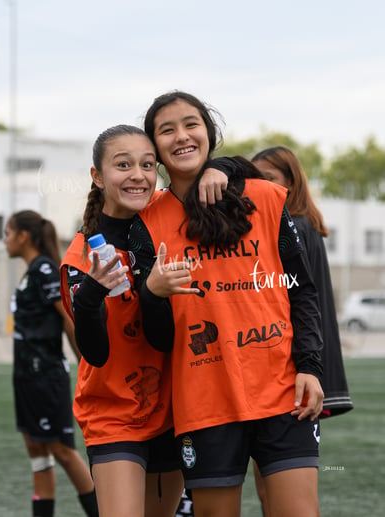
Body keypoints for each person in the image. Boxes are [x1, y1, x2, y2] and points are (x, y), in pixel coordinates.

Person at [128, 91, 325, 517]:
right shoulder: (146, 221)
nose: (182, 136)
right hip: (205, 403)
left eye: (191, 124)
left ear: (209, 132)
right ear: (156, 148)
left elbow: (302, 290)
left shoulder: (267, 198)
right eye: (167, 130)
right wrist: (153, 293)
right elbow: (159, 339)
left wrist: (310, 365)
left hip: (282, 391)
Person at [59, 124, 227, 517]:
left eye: (148, 164)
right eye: (123, 165)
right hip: (115, 413)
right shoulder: (82, 255)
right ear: (97, 176)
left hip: (176, 411)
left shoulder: (169, 219)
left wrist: (224, 170)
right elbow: (96, 354)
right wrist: (92, 295)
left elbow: (164, 337)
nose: (138, 175)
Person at [250, 145, 353, 515]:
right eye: (255, 178)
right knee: (269, 487)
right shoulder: (288, 224)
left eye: (270, 178)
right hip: (291, 367)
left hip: (294, 371)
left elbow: (299, 302)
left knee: (288, 491)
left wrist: (307, 367)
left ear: (290, 183)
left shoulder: (297, 227)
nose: (260, 186)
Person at [3, 210, 98, 517]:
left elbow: (69, 319)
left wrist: (87, 362)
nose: (5, 240)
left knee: (62, 451)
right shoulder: (32, 271)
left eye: (7, 232)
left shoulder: (45, 270)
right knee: (37, 451)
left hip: (45, 375)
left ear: (23, 236)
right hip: (26, 377)